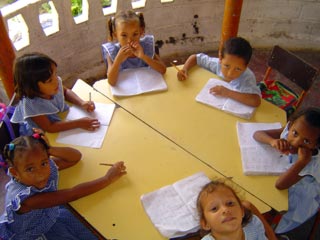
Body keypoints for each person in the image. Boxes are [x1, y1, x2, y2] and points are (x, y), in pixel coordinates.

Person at [0, 129, 126, 239]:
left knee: (89, 231)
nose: (41, 173)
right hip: (35, 233)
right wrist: (107, 178)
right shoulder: (26, 199)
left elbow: (75, 157)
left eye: (44, 163)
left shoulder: (43, 167)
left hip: (51, 215)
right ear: (14, 172)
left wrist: (50, 149)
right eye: (30, 169)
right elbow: (72, 194)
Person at [253, 107, 320, 237]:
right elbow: (257, 134)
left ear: (316, 146)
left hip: (300, 193)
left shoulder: (312, 163)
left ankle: (273, 231)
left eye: (306, 141)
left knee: (273, 207)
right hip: (285, 172)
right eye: (295, 133)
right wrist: (272, 141)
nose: (296, 142)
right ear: (290, 125)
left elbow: (281, 185)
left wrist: (302, 162)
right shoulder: (289, 130)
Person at [11, 53, 100, 136]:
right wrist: (78, 123)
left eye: (55, 74)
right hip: (42, 133)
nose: (56, 81)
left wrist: (81, 103)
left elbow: (65, 92)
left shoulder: (54, 83)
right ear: (32, 86)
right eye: (49, 80)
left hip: (60, 117)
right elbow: (50, 127)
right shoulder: (32, 105)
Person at [177, 37, 261, 107]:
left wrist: (228, 93)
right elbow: (195, 58)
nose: (230, 73)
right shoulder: (216, 64)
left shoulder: (247, 77)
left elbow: (256, 101)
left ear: (246, 66)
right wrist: (185, 69)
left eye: (238, 69)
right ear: (220, 58)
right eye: (227, 66)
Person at [101, 10, 166, 86]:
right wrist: (117, 61)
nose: (129, 40)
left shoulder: (146, 47)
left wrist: (143, 57)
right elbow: (111, 82)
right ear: (115, 35)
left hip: (148, 87)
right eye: (124, 35)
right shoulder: (113, 52)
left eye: (135, 34)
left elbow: (163, 70)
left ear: (141, 32)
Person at [197, 180, 276, 240]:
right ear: (205, 223)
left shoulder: (254, 225)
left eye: (230, 203)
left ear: (242, 211)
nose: (225, 209)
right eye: (214, 208)